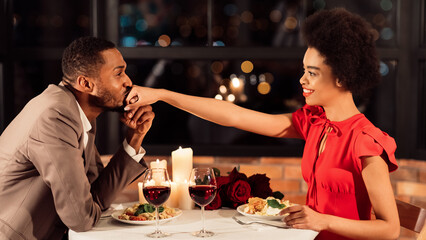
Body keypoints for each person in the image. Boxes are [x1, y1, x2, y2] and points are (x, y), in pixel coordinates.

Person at [123, 8, 400, 240]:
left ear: (342, 77)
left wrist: (323, 221)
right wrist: (163, 96)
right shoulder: (315, 122)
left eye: (312, 73)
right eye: (304, 70)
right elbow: (232, 116)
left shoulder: (366, 141)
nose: (302, 80)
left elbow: (390, 229)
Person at [0, 36, 155, 240]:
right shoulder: (56, 116)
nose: (128, 81)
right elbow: (81, 218)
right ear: (85, 83)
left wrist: (135, 138)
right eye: (118, 73)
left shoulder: (76, 111)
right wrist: (90, 207)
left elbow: (95, 195)